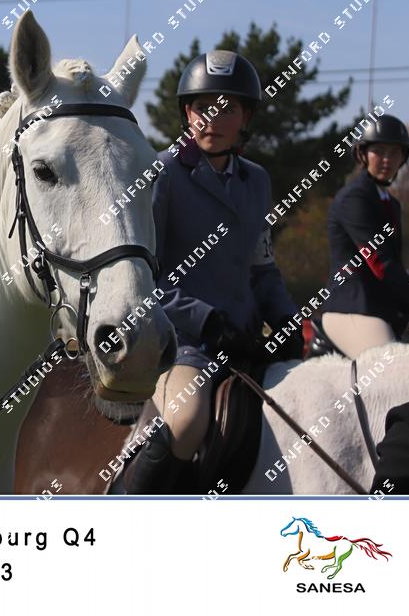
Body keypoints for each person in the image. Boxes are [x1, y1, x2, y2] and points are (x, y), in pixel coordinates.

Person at [126, 50, 302, 494]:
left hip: (247, 342)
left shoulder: (256, 181)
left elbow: (262, 266)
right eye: (204, 107)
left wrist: (286, 318)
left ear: (246, 117)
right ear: (187, 112)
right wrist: (207, 322)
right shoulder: (162, 173)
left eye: (227, 109)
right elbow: (146, 277)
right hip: (184, 344)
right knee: (187, 420)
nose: (213, 119)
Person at [321, 115, 409, 359]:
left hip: (381, 309)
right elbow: (381, 264)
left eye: (394, 152)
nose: (387, 159)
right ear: (362, 154)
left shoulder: (391, 203)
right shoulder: (354, 199)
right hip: (353, 309)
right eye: (379, 151)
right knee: (391, 369)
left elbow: (396, 266)